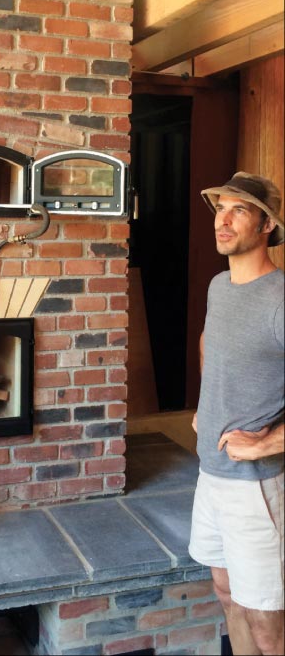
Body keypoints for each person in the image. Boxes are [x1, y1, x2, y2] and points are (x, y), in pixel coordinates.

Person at [188, 171, 284, 656]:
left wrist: (268, 444)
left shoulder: (280, 299)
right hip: (212, 473)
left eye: (238, 211)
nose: (221, 222)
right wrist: (209, 405)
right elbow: (212, 342)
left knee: (268, 625)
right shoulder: (219, 286)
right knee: (228, 597)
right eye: (220, 210)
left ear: (266, 224)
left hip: (258, 486)